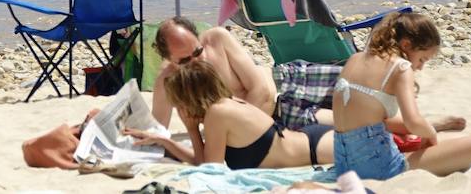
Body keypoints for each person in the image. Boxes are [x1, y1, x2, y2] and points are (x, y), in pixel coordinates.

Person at [331, 12, 471, 180]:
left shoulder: (356, 59)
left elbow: (372, 120)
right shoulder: (399, 67)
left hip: (344, 164)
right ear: (407, 45)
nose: (419, 67)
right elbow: (414, 121)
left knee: (421, 143)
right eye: (422, 59)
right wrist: (431, 135)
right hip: (378, 168)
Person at [127, 60, 334, 168]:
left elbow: (210, 169)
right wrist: (163, 141)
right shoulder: (220, 108)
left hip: (317, 148)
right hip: (312, 141)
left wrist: (192, 130)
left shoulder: (219, 113)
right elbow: (206, 160)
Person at [151, 17, 276, 132]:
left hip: (282, 93)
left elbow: (261, 89)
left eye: (197, 52)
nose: (195, 62)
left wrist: (233, 131)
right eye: (184, 61)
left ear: (198, 39)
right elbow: (158, 130)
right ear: (169, 60)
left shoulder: (217, 39)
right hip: (248, 128)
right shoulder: (166, 79)